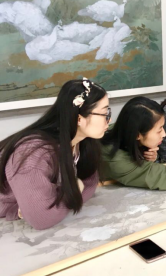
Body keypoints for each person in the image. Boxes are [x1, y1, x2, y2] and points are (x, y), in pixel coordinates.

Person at [0, 78, 110, 230]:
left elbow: (90, 184)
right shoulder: (33, 153)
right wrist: (74, 190)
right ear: (79, 118)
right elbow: (41, 219)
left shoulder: (83, 142)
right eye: (105, 113)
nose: (109, 120)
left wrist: (65, 196)